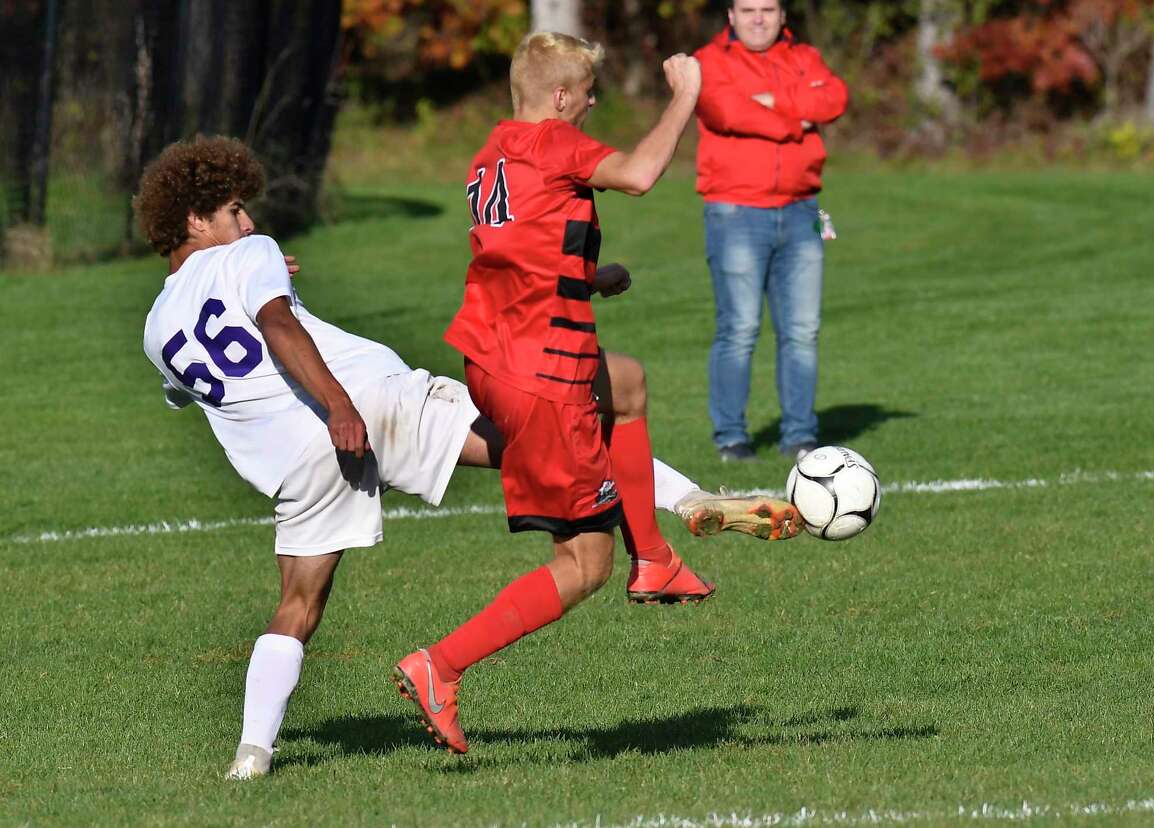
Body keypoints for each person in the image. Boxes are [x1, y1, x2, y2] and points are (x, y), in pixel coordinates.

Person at [136, 136, 798, 777]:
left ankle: (252, 756)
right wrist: (338, 403)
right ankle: (683, 505)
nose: (248, 221)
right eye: (233, 212)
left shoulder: (156, 329)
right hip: (375, 408)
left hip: (300, 468)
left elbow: (197, 380)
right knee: (547, 431)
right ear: (196, 219)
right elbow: (276, 325)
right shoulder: (251, 254)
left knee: (298, 604)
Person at [390, 32, 798, 757]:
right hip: (544, 374)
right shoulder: (555, 141)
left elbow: (520, 252)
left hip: (492, 355)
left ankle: (656, 557)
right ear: (557, 99)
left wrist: (588, 276)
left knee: (631, 382)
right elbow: (640, 174)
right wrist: (686, 97)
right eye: (585, 93)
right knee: (584, 565)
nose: (593, 103)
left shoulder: (492, 154)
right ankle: (440, 666)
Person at [693, 0, 848, 462]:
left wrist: (774, 103)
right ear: (730, 16)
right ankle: (731, 439)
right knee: (739, 328)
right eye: (748, 9)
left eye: (767, 9)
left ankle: (800, 434)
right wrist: (798, 118)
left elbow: (834, 99)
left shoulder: (805, 57)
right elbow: (727, 113)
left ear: (783, 16)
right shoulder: (708, 62)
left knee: (802, 330)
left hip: (802, 211)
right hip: (735, 211)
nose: (757, 18)